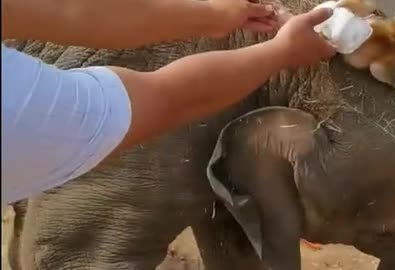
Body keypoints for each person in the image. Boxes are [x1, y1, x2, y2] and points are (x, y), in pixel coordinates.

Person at [1, 0, 336, 205]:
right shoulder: (21, 112)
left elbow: (67, 10)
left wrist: (212, 15)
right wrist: (281, 52)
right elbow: (170, 98)